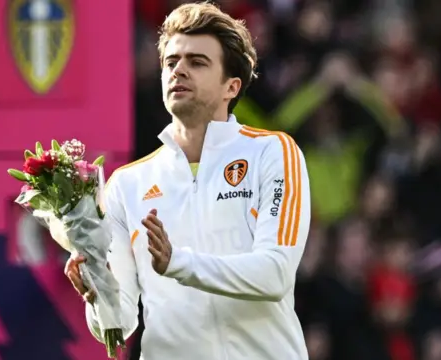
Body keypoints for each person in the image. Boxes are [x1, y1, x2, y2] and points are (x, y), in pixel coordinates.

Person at [63, 3, 311, 359]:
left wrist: (178, 263)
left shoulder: (272, 153)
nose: (179, 70)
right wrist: (96, 290)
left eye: (197, 62)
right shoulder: (126, 184)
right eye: (171, 62)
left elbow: (275, 274)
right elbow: (118, 325)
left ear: (231, 86)